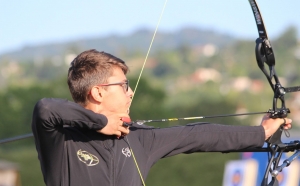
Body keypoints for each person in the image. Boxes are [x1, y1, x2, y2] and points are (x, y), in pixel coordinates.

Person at [32, 49, 292, 186]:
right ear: (98, 92)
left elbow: (198, 136)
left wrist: (261, 133)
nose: (130, 92)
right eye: (123, 85)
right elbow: (45, 108)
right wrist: (102, 123)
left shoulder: (138, 140)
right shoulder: (61, 140)